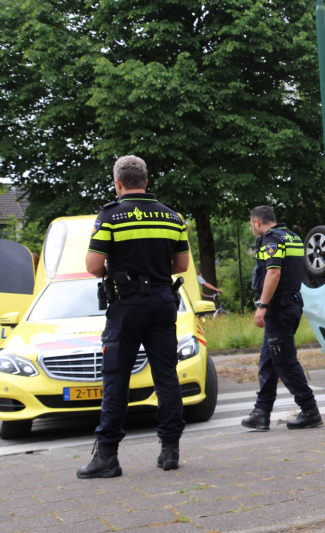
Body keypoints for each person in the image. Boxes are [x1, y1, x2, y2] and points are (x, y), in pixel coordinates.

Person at [78, 155, 189, 479]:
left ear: (118, 183)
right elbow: (181, 264)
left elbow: (93, 266)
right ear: (146, 181)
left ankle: (107, 458)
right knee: (166, 377)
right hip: (163, 300)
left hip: (127, 305)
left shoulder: (110, 217)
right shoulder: (171, 217)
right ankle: (170, 451)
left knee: (116, 378)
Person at [241, 206, 321, 431]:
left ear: (257, 222)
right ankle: (261, 413)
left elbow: (273, 272)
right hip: (291, 305)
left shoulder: (271, 240)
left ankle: (310, 410)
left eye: (251, 223)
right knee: (268, 361)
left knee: (284, 361)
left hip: (279, 309)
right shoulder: (293, 237)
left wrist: (262, 305)